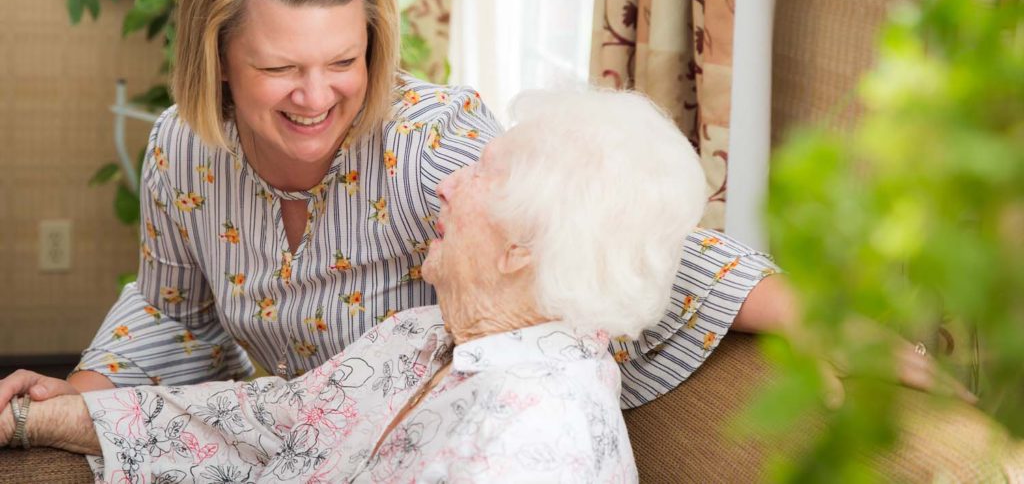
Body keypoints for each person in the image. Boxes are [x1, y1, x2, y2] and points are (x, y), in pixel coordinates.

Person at [0, 0, 795, 417]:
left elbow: (610, 233)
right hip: (293, 438)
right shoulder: (183, 146)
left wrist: (817, 316)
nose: (316, 97)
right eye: (279, 69)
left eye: (343, 61)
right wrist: (75, 401)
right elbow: (170, 316)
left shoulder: (434, 145)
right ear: (216, 60)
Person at [2, 88, 708, 482]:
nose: (447, 181)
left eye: (481, 172)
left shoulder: (528, 441)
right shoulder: (428, 337)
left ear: (523, 245)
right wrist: (46, 415)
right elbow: (266, 421)